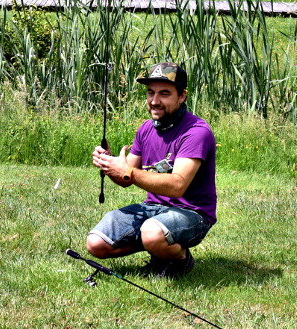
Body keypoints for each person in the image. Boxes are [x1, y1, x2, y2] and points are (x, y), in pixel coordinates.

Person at [89, 62, 217, 279]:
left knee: (152, 232)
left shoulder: (196, 132)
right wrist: (110, 165)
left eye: (165, 93)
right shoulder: (146, 128)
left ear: (182, 96)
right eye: (151, 93)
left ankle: (180, 259)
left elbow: (177, 186)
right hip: (153, 209)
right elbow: (125, 178)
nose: (155, 101)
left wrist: (127, 172)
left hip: (192, 213)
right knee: (96, 244)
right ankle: (158, 247)